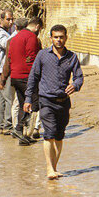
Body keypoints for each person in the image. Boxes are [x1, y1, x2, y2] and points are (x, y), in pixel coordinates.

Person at [24, 24, 83, 180]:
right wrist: (28, 98)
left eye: (61, 37)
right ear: (51, 38)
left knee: (59, 136)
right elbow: (33, 77)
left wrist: (75, 85)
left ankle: (54, 167)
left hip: (63, 102)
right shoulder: (42, 55)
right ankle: (49, 168)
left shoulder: (72, 57)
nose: (58, 40)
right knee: (49, 134)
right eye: (55, 37)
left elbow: (79, 77)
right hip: (46, 100)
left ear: (66, 38)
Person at [5, 17, 43, 145]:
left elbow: (10, 58)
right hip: (26, 76)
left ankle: (21, 133)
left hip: (15, 76)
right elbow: (33, 57)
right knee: (35, 103)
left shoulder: (14, 38)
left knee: (23, 104)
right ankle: (23, 131)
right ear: (37, 26)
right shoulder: (31, 37)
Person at [0, 10, 14, 135]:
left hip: (0, 68)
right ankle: (8, 126)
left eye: (12, 19)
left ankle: (0, 126)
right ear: (1, 19)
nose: (11, 22)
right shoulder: (0, 33)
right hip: (1, 69)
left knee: (2, 98)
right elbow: (7, 45)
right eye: (8, 19)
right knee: (9, 98)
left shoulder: (4, 32)